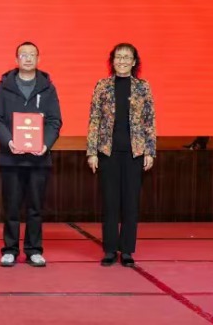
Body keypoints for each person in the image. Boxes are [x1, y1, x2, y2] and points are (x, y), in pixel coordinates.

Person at [0, 41, 63, 268]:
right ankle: (10, 249)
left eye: (32, 55)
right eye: (23, 55)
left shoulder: (48, 88)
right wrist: (9, 141)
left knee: (35, 208)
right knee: (11, 207)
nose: (28, 58)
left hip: (39, 158)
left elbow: (55, 121)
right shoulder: (3, 87)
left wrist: (45, 144)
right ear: (16, 59)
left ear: (38, 59)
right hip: (11, 157)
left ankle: (34, 250)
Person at [86, 43, 156, 267]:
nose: (122, 61)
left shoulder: (143, 87)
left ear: (134, 62)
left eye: (127, 57)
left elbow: (149, 121)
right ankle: (109, 250)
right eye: (118, 57)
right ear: (112, 61)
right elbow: (94, 119)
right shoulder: (102, 86)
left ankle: (126, 251)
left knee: (130, 203)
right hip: (108, 152)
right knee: (110, 202)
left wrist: (150, 151)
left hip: (135, 153)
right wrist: (92, 152)